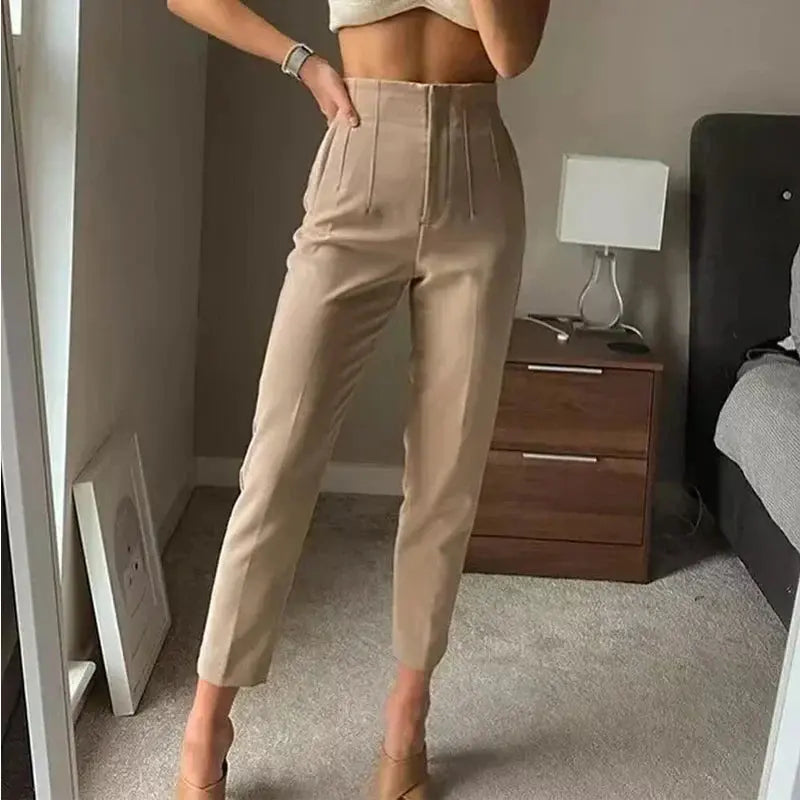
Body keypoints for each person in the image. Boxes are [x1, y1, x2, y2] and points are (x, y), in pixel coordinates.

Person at [168, 1, 550, 797]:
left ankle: (408, 715)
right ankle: (207, 723)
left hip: (477, 178)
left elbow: (511, 53)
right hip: (360, 150)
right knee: (277, 461)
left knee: (447, 473)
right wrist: (301, 60)